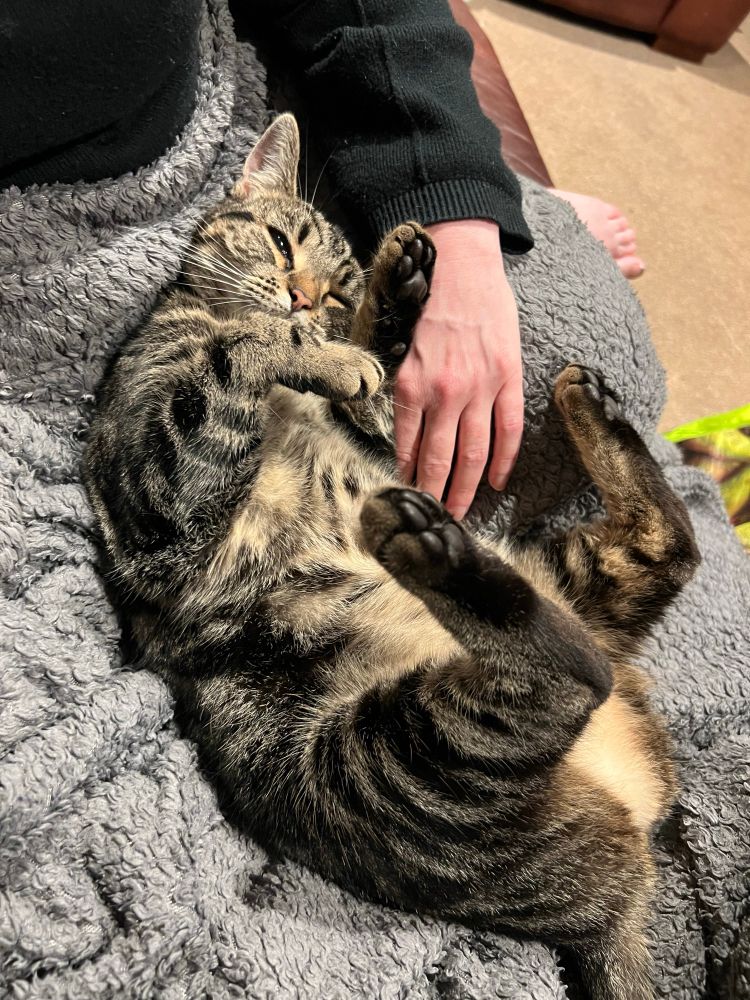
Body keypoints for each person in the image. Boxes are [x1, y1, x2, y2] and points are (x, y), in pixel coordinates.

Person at [1, 0, 643, 521]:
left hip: (212, 121)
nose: (300, 296)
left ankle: (501, 190)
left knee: (592, 360)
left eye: (324, 293)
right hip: (47, 279)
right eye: (284, 253)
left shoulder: (271, 227)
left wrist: (461, 207)